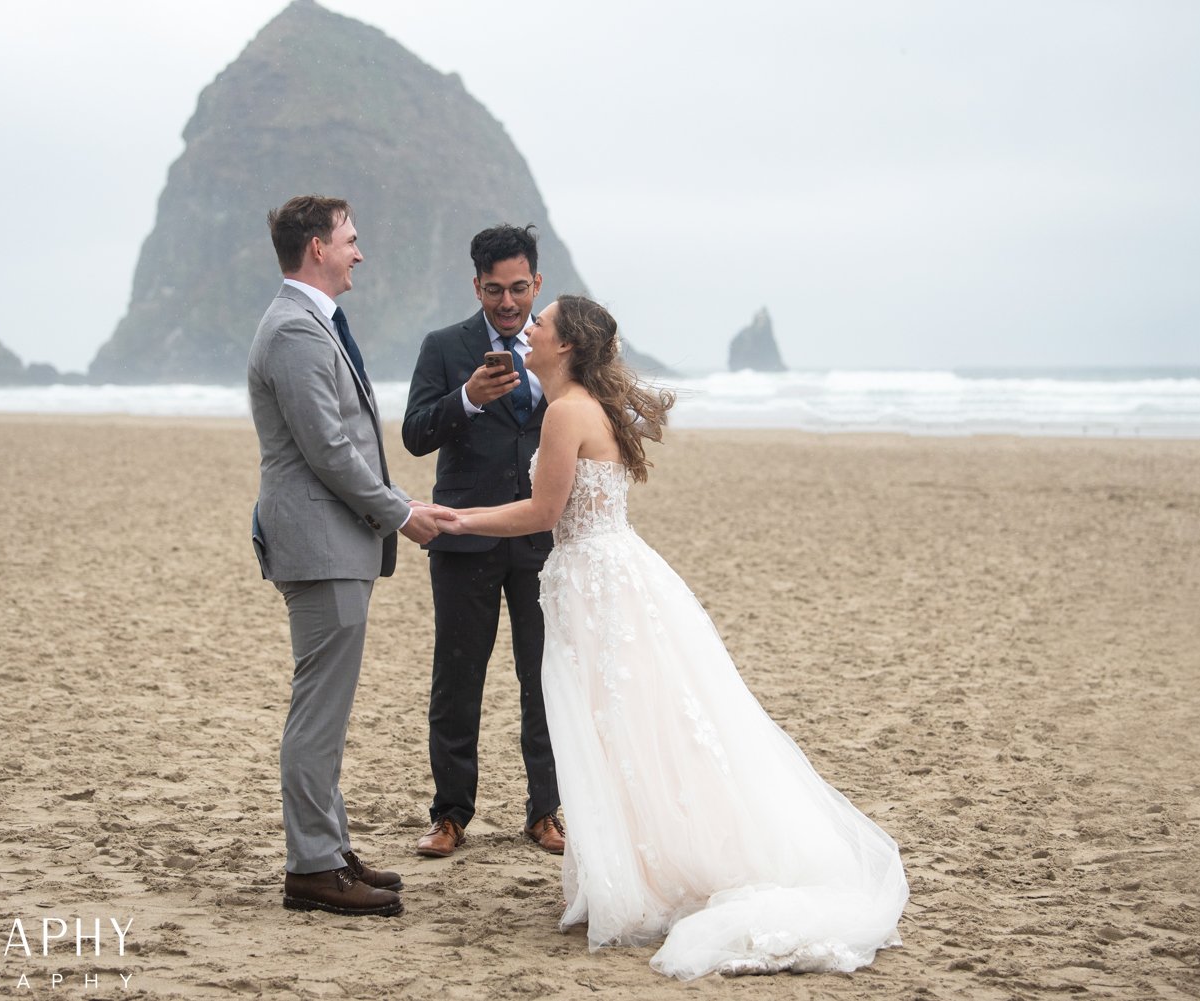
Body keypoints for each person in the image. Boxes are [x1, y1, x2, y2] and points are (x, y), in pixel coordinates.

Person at [439, 295, 909, 978]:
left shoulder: (567, 410)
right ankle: (635, 867)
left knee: (618, 727)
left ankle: (646, 875)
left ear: (565, 345)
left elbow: (543, 511)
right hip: (608, 577)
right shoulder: (583, 404)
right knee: (630, 726)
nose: (528, 327)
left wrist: (457, 520)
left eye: (541, 321)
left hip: (597, 586)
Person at [247, 194, 450, 918]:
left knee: (324, 709)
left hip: (332, 541)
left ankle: (328, 849)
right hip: (321, 544)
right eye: (350, 240)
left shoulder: (307, 322)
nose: (359, 252)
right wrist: (400, 512)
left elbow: (338, 444)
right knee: (318, 713)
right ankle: (311, 866)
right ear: (316, 249)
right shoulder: (296, 331)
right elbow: (328, 447)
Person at [401, 225, 563, 858]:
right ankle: (450, 815)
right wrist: (465, 399)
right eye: (494, 290)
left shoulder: (557, 347)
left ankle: (545, 811)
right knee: (458, 680)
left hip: (543, 542)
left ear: (537, 284)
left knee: (545, 679)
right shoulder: (444, 347)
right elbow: (415, 433)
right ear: (476, 285)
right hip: (462, 539)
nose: (507, 302)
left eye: (519, 289)